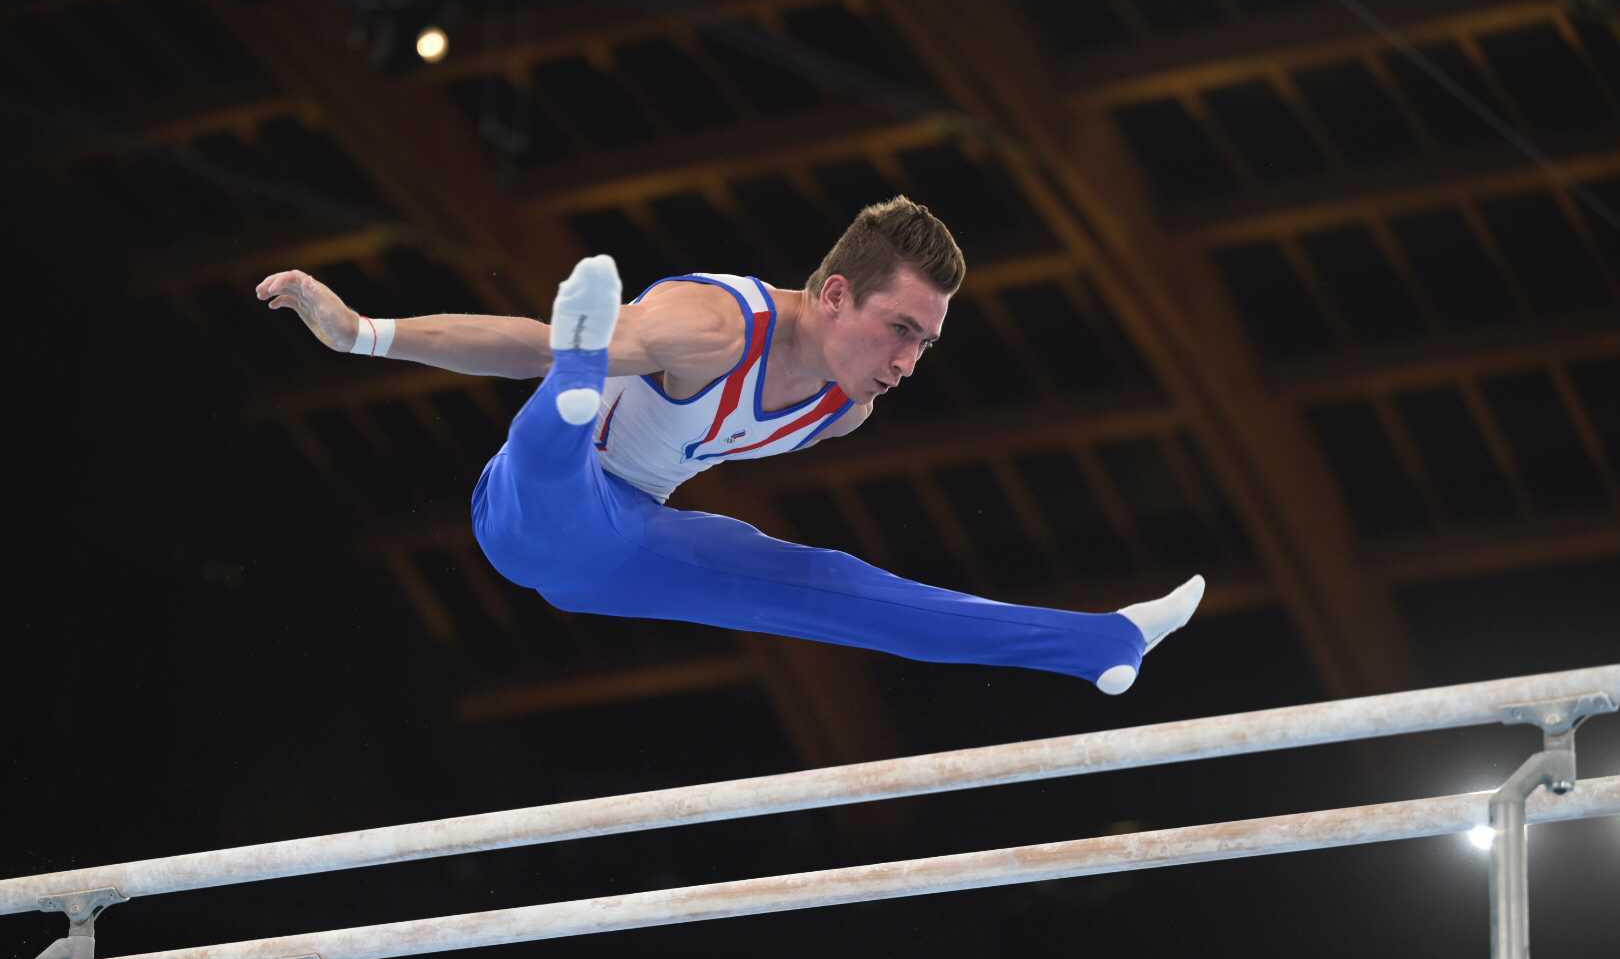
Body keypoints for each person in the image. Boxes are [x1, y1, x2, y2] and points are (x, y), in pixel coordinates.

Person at [256, 196, 1203, 694]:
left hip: (629, 547)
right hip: (528, 509)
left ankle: (1099, 644)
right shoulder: (708, 325)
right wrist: (364, 334)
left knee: (832, 585)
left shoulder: (845, 407)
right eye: (900, 330)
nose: (909, 361)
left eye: (925, 342)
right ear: (835, 294)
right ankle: (580, 379)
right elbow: (520, 344)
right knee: (559, 413)